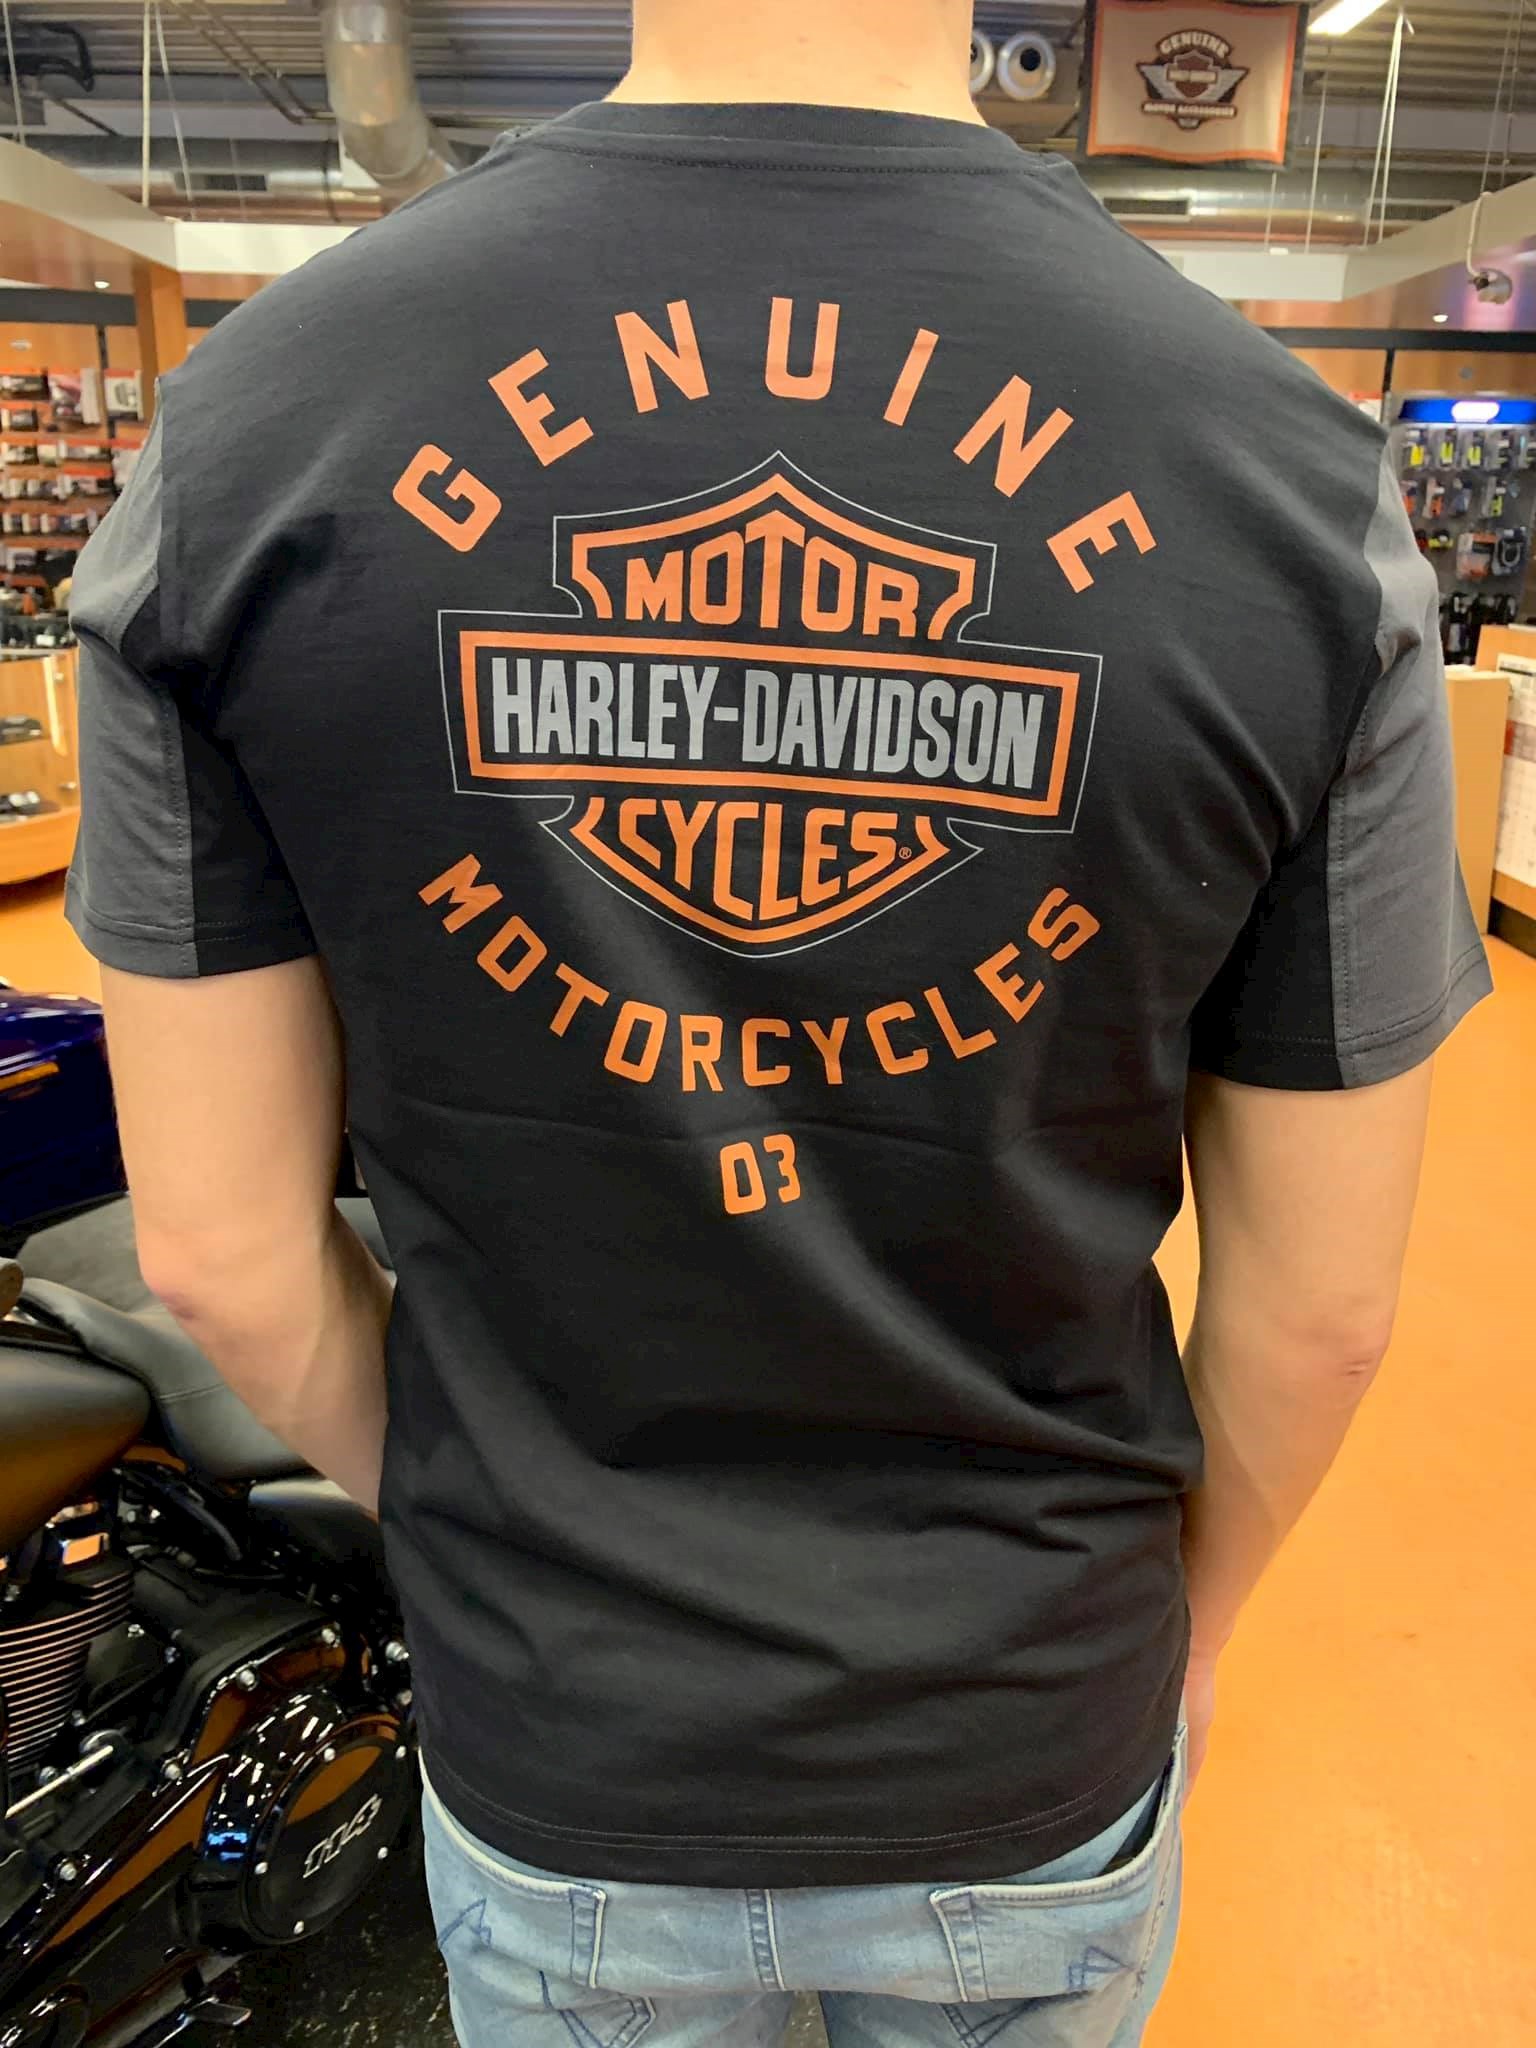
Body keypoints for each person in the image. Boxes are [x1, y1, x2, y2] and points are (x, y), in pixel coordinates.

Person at [64, 3, 1490, 2043]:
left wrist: (490, 1553)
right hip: (1027, 1719)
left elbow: (216, 1252)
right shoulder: (1293, 484)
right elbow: (1323, 1311)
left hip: (566, 1729)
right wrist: (1182, 1633)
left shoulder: (247, 437)